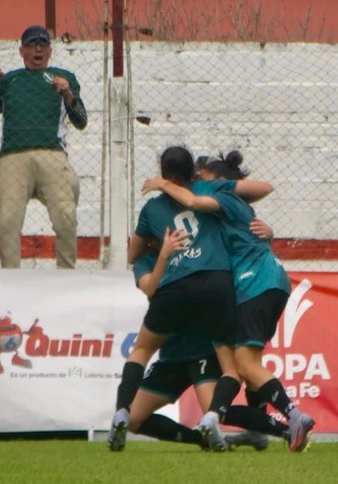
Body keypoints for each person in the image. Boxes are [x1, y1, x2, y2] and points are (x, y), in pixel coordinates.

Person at [143, 150, 316, 453]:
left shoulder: (221, 197)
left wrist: (163, 183)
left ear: (220, 183)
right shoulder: (229, 211)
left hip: (256, 282)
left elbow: (194, 201)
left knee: (246, 365)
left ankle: (294, 417)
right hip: (267, 282)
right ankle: (255, 428)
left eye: (204, 180)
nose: (197, 184)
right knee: (244, 363)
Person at [110, 145, 243, 453]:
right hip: (177, 350)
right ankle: (211, 434)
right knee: (226, 381)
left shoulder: (154, 211)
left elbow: (133, 255)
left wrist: (162, 252)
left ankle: (121, 409)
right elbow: (147, 283)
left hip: (193, 336)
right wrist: (162, 256)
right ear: (192, 172)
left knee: (142, 350)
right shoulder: (206, 196)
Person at [126, 231, 288, 450]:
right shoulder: (146, 262)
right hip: (172, 355)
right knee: (133, 418)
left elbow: (244, 243)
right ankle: (200, 440)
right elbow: (151, 290)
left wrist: (268, 236)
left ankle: (287, 431)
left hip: (205, 350)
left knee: (217, 411)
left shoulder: (202, 250)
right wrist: (164, 257)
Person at [0, 25, 87, 269]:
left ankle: (67, 274)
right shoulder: (9, 80)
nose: (38, 50)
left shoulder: (63, 77)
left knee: (66, 216)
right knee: (6, 220)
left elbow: (81, 121)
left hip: (52, 153)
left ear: (49, 51)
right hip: (13, 155)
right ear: (22, 51)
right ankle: (11, 276)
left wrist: (67, 94)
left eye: (43, 45)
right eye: (32, 45)